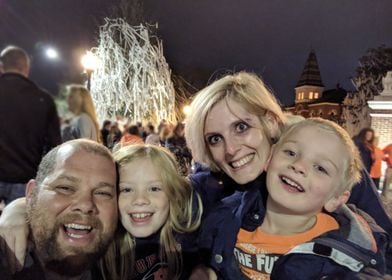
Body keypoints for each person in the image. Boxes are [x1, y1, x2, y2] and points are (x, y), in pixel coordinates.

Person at [184, 72, 392, 275]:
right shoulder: (210, 191)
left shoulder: (333, 163)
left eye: (241, 127)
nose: (230, 149)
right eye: (215, 139)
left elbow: (382, 250)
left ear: (271, 121)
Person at [231, 118, 387, 279]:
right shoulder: (226, 220)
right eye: (291, 153)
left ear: (336, 198)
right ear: (269, 158)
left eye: (320, 168)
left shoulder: (347, 258)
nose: (299, 166)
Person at [0, 139, 118, 279]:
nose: (86, 205)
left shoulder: (129, 257)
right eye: (65, 188)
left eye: (103, 193)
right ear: (31, 194)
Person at [99, 144, 203, 279]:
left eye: (154, 189)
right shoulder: (101, 253)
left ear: (173, 194)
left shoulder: (190, 238)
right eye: (126, 190)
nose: (140, 200)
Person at [0, 45, 61, 205]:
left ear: (1, 66)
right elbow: (54, 145)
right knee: (19, 226)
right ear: (26, 68)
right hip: (25, 176)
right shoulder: (42, 99)